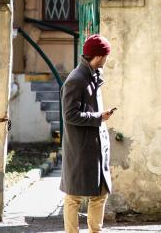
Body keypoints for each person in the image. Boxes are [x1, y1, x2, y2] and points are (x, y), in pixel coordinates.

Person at [61, 34, 115, 233]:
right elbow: (69, 115)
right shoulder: (76, 80)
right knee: (73, 196)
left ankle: (95, 231)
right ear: (99, 56)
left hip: (95, 147)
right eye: (106, 55)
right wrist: (99, 117)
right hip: (80, 148)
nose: (107, 59)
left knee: (100, 194)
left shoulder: (93, 75)